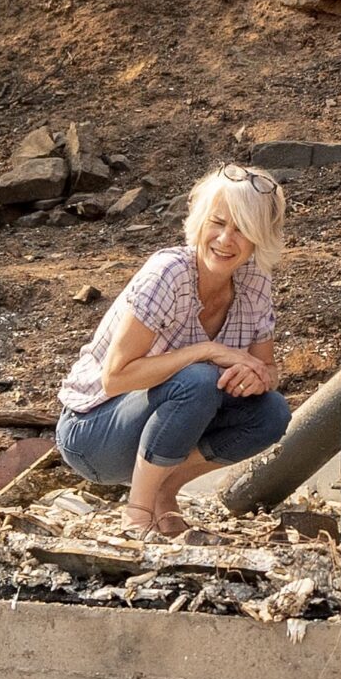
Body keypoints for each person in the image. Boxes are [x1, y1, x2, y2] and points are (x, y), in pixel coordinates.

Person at [53, 167, 291, 541]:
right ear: (199, 221)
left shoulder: (255, 279)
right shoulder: (168, 273)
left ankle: (164, 491)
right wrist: (208, 350)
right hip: (93, 434)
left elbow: (268, 368)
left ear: (260, 238)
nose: (226, 239)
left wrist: (258, 376)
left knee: (272, 412)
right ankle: (137, 514)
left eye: (243, 229)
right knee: (198, 378)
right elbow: (116, 377)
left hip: (166, 425)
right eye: (217, 223)